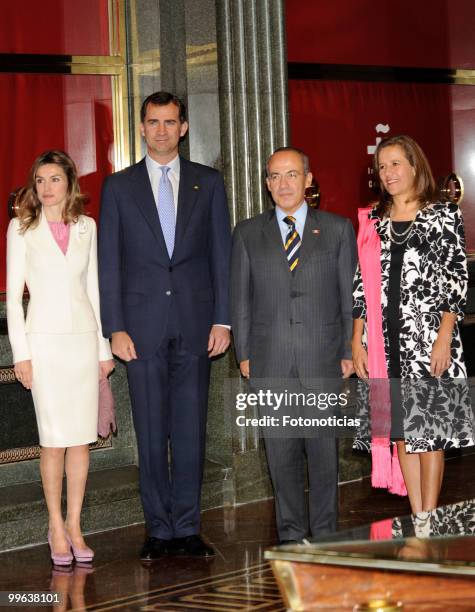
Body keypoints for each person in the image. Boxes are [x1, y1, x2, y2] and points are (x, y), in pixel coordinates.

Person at [98, 91, 231, 560]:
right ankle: (158, 529)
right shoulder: (118, 187)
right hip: (140, 330)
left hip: (197, 326)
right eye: (152, 122)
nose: (161, 130)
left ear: (184, 128)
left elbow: (221, 256)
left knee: (191, 430)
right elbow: (109, 263)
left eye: (170, 122)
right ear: (140, 128)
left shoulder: (209, 183)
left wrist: (223, 319)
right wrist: (114, 326)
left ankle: (189, 528)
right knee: (152, 434)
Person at [231, 147, 357, 542]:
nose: (282, 184)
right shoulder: (248, 233)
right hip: (271, 362)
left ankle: (324, 537)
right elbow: (241, 300)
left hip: (323, 361)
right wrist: (245, 353)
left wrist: (350, 351)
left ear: (308, 179)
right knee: (281, 459)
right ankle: (290, 536)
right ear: (267, 184)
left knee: (323, 459)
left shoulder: (337, 230)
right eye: (274, 176)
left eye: (290, 175)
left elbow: (349, 297)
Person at [352, 134, 474, 513]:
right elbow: (360, 282)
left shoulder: (443, 213)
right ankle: (418, 515)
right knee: (403, 434)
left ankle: (429, 519)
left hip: (429, 339)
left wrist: (444, 338)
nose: (388, 173)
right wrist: (358, 340)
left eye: (395, 164)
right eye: (382, 166)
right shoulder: (374, 219)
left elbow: (456, 280)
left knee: (430, 433)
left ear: (414, 166)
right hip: (384, 342)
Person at [6, 150, 114, 565]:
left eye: (54, 179)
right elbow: (14, 301)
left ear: (69, 183)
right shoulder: (21, 228)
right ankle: (54, 526)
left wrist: (103, 349)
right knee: (53, 441)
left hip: (83, 343)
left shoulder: (87, 227)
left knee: (81, 441)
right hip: (45, 347)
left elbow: (94, 291)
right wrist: (23, 355)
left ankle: (75, 525)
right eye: (40, 181)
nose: (47, 188)